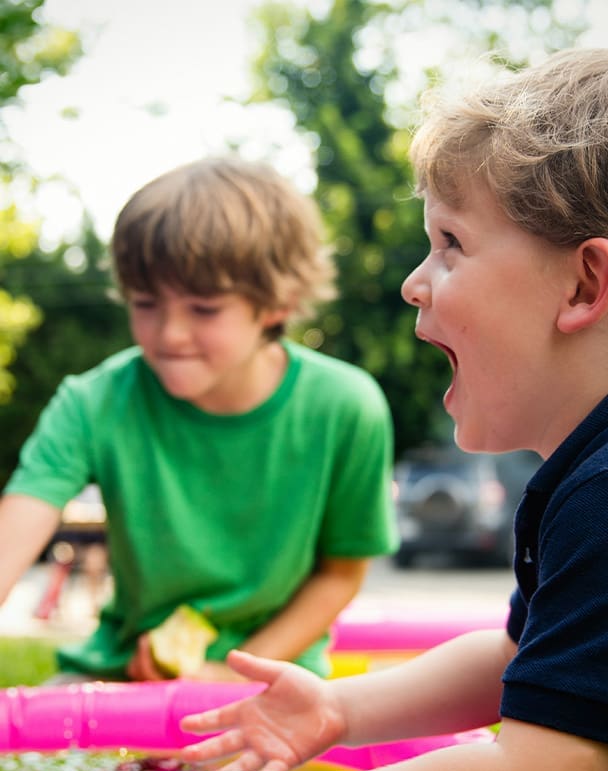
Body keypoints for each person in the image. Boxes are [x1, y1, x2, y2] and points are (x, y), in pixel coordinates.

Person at [166, 48, 608, 771]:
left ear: (585, 284)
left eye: (451, 245)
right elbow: (518, 656)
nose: (412, 283)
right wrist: (340, 708)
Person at [0, 156, 398, 682]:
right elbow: (17, 529)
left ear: (279, 302)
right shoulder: (92, 401)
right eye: (145, 304)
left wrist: (233, 673)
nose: (169, 335)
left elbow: (340, 575)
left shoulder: (347, 406)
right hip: (119, 674)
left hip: (273, 679)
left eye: (204, 309)